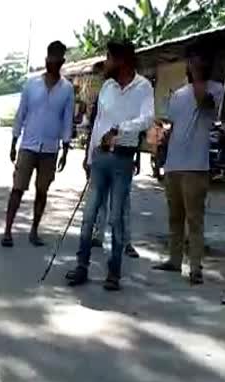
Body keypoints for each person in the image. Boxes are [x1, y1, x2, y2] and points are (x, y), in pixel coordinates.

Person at [66, 40, 154, 291]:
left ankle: (113, 272)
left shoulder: (143, 87)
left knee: (116, 217)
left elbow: (147, 118)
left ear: (122, 60)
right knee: (89, 214)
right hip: (100, 157)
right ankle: (81, 266)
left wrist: (120, 129)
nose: (106, 62)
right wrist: (88, 156)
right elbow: (98, 122)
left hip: (124, 158)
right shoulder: (107, 86)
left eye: (110, 58)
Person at [151, 50, 224, 285]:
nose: (193, 64)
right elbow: (172, 125)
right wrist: (162, 142)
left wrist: (198, 76)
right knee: (175, 216)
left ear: (206, 64)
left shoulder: (215, 89)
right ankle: (174, 260)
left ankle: (195, 268)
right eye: (191, 60)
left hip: (196, 166)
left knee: (194, 219)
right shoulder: (179, 94)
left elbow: (206, 103)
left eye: (197, 60)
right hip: (174, 163)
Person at [3, 41, 74, 248]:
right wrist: (14, 141)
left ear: (62, 61)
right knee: (17, 188)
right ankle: (7, 230)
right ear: (46, 60)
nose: (53, 63)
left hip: (50, 149)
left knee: (42, 191)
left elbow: (67, 119)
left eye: (57, 60)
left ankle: (34, 230)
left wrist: (66, 149)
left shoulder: (67, 89)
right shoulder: (31, 85)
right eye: (50, 59)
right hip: (28, 145)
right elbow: (20, 114)